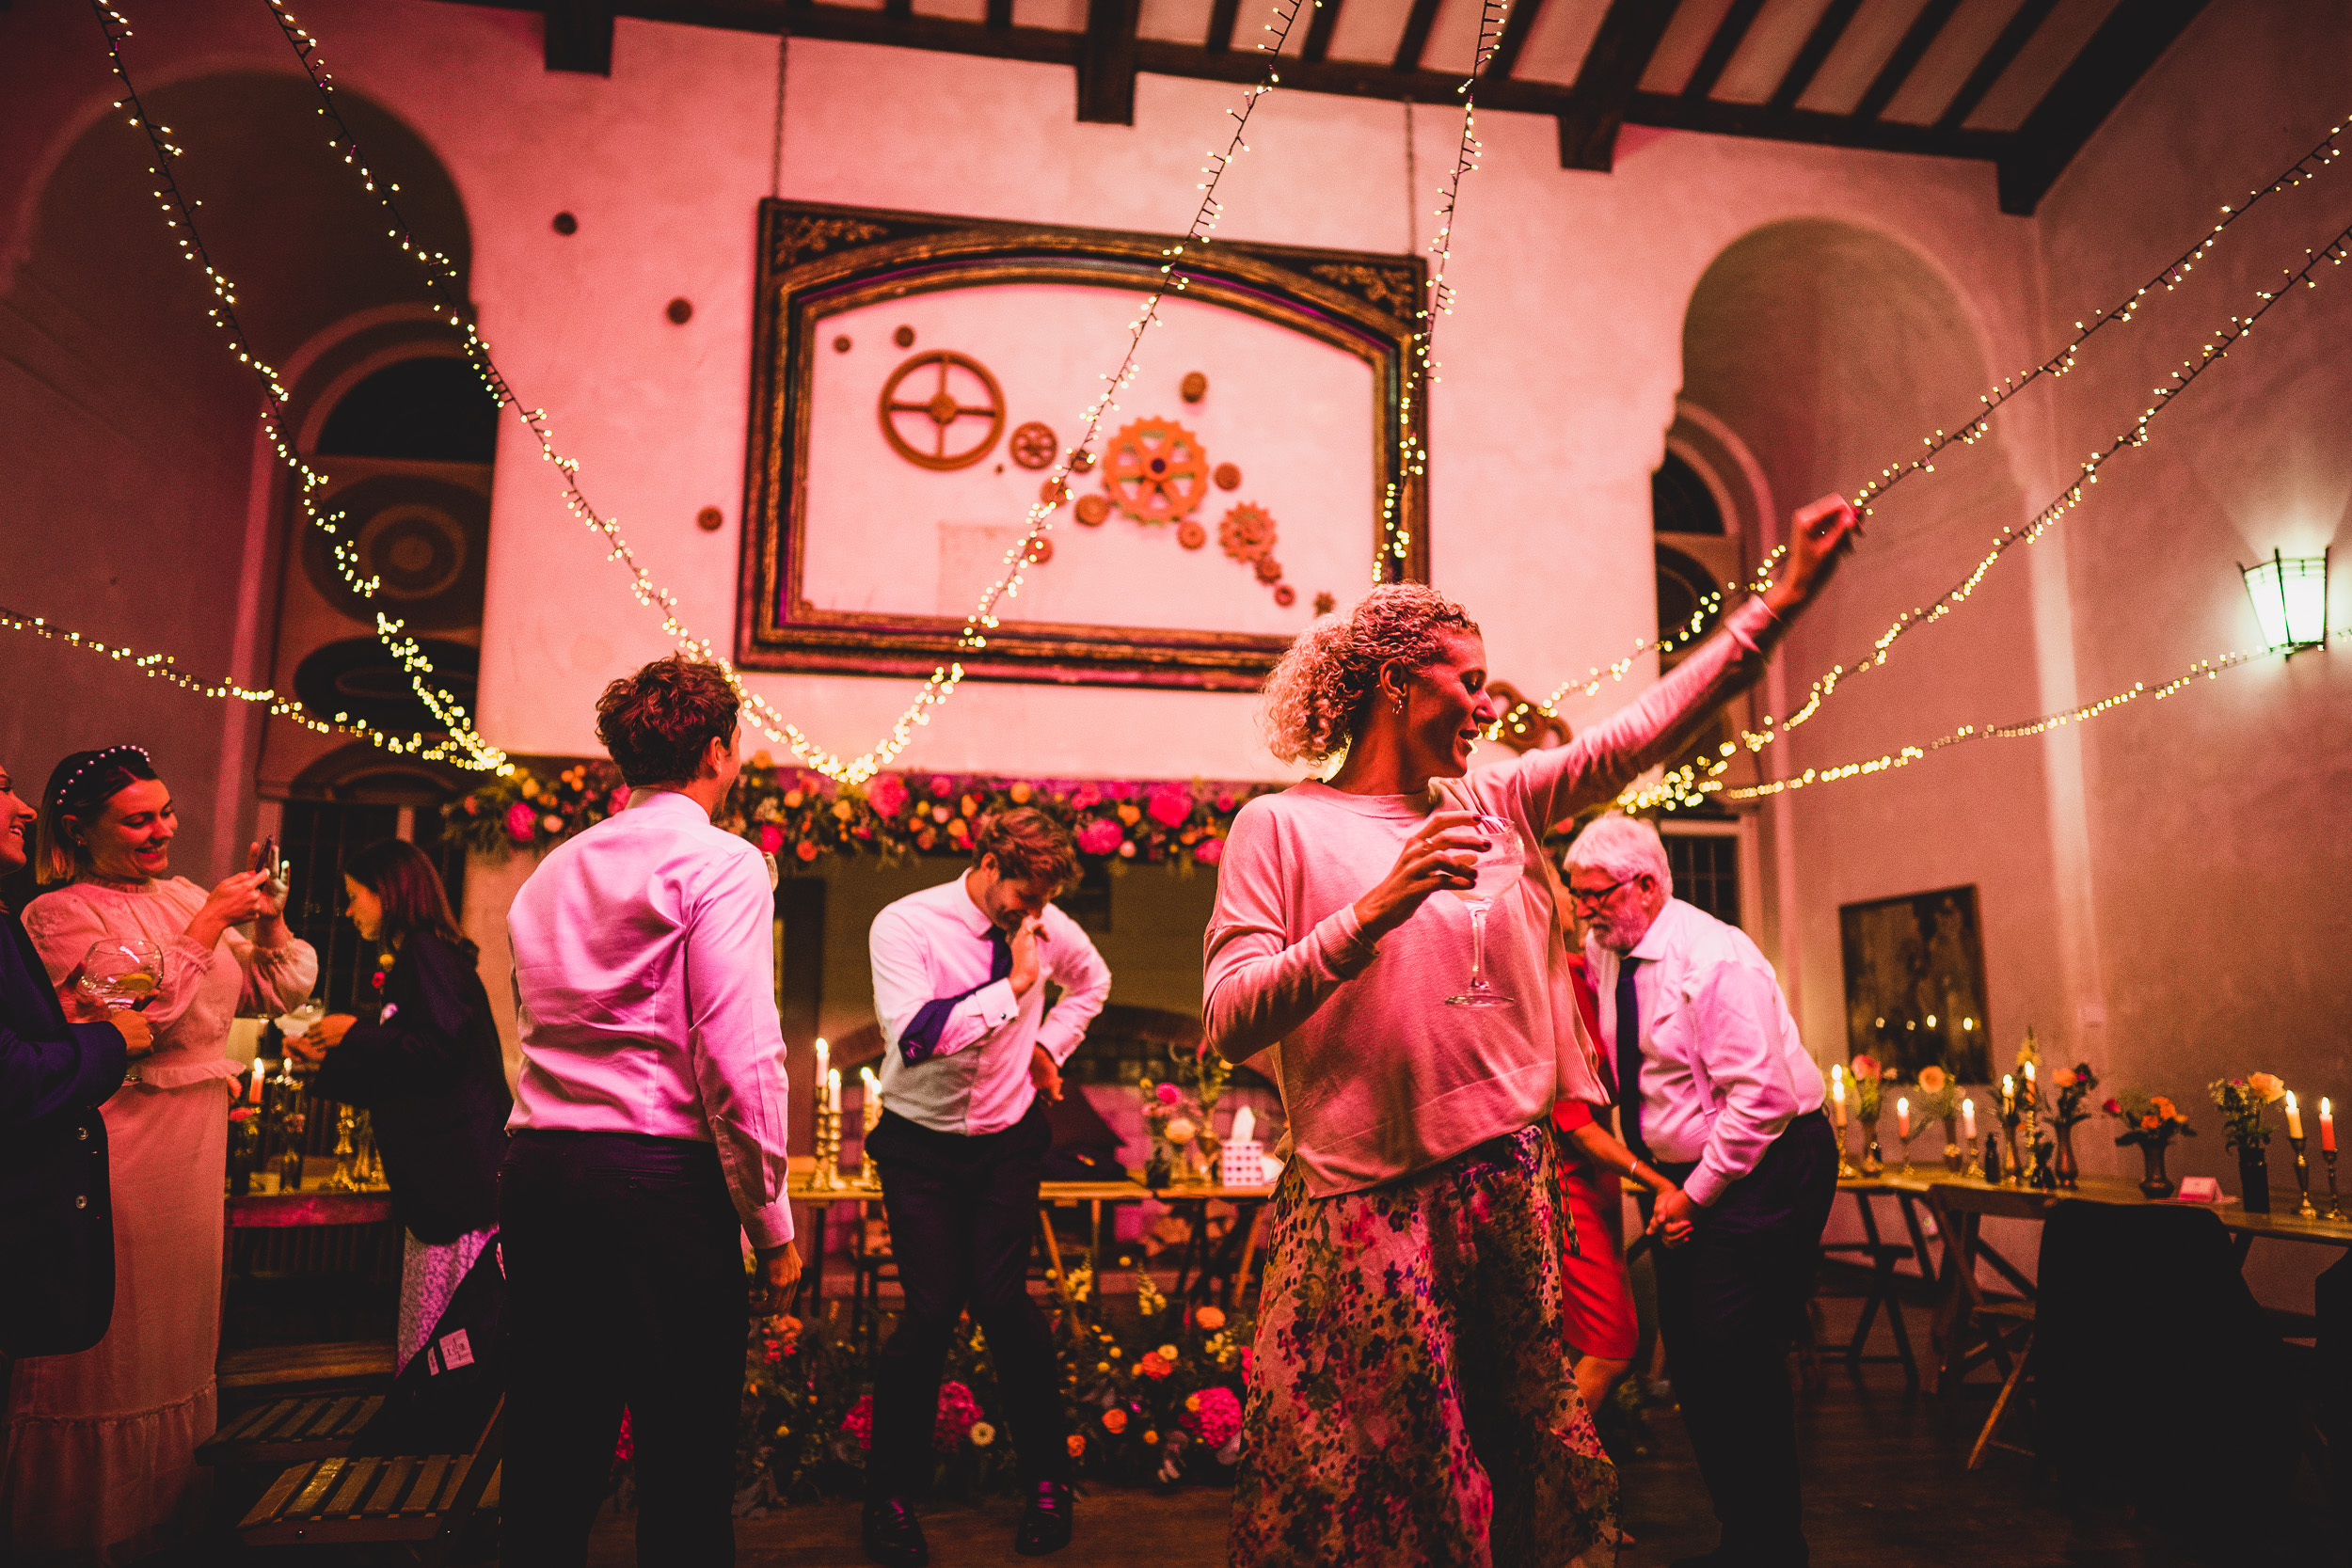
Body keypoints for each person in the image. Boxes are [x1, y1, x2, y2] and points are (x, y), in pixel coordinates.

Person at [1204, 495, 1858, 1567]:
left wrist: (1776, 607)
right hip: (1364, 1199)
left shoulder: (1497, 799)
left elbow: (1639, 731)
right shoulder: (1280, 825)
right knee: (1370, 1469)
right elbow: (1231, 1018)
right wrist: (1374, 909)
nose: (1483, 698)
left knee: (1507, 1453)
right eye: (1465, 677)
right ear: (1391, 682)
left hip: (1503, 1183)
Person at [501, 656, 801, 1567]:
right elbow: (737, 1055)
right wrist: (772, 1226)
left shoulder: (551, 869)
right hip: (656, 1181)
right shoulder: (720, 861)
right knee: (682, 1453)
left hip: (543, 1171)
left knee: (551, 1446)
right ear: (717, 749)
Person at [8, 744, 317, 1563]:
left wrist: (268, 918)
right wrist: (210, 922)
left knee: (177, 1350)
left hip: (195, 1154)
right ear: (81, 827)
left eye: (167, 811)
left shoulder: (181, 893)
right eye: (138, 818)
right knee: (113, 1352)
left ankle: (163, 1532)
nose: (164, 829)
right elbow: (143, 1011)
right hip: (124, 1152)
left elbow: (278, 988)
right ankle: (78, 1535)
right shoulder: (57, 913)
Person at [1568, 812, 1836, 1568]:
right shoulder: (1609, 946)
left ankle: (1775, 1546)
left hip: (1773, 1159)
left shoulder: (1717, 960)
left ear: (1646, 885)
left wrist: (1697, 1192)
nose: (1583, 911)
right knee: (1689, 1355)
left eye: (1594, 896)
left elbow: (1765, 1100)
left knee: (1735, 1349)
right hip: (1689, 1169)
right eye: (1577, 895)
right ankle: (1741, 1535)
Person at [861, 808, 1111, 1565]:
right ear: (989, 862)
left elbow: (1095, 981)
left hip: (1007, 1140)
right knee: (931, 1312)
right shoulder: (905, 924)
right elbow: (913, 1034)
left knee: (1005, 1305)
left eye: (1042, 903)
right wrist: (1015, 989)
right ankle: (890, 1499)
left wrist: (1047, 1044)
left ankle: (1047, 1484)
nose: (1032, 915)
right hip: (919, 1146)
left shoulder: (1044, 922)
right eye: (1024, 898)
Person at [286, 839, 510, 1392]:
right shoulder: (425, 954)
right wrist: (335, 1054)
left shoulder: (426, 954)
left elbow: (437, 1052)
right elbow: (408, 1068)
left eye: (353, 896)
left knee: (455, 1339)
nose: (348, 910)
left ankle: (439, 1450)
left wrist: (355, 1032)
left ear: (386, 893)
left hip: (458, 1180)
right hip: (449, 1178)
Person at [1, 757, 146, 1361]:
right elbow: (10, 1077)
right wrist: (113, 1040)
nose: (24, 809)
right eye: (2, 789)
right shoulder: (52, 910)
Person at [1549, 902, 1682, 1427]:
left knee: (1605, 1337)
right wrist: (1654, 1178)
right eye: (1567, 883)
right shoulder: (1553, 990)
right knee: (1612, 1343)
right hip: (1569, 1179)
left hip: (1598, 1180)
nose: (1578, 898)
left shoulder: (1591, 973)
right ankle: (1552, 1469)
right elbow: (1577, 1128)